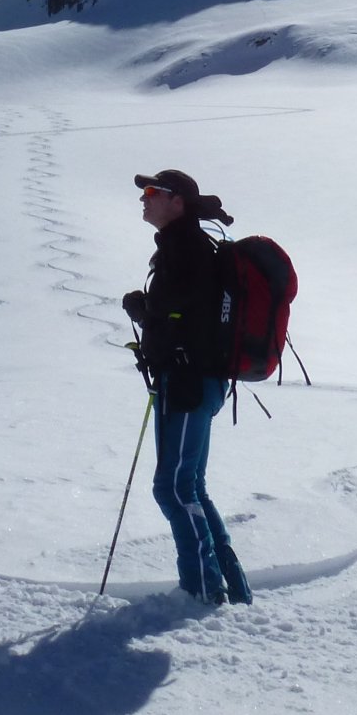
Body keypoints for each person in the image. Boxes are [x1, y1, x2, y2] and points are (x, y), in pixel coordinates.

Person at [121, 168, 252, 606]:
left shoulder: (186, 249)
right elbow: (184, 313)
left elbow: (179, 314)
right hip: (198, 381)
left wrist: (144, 310)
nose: (144, 198)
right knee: (190, 485)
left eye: (152, 191)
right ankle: (230, 586)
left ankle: (203, 591)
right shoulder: (188, 247)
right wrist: (150, 313)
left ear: (177, 201)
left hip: (187, 383)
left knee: (173, 489)